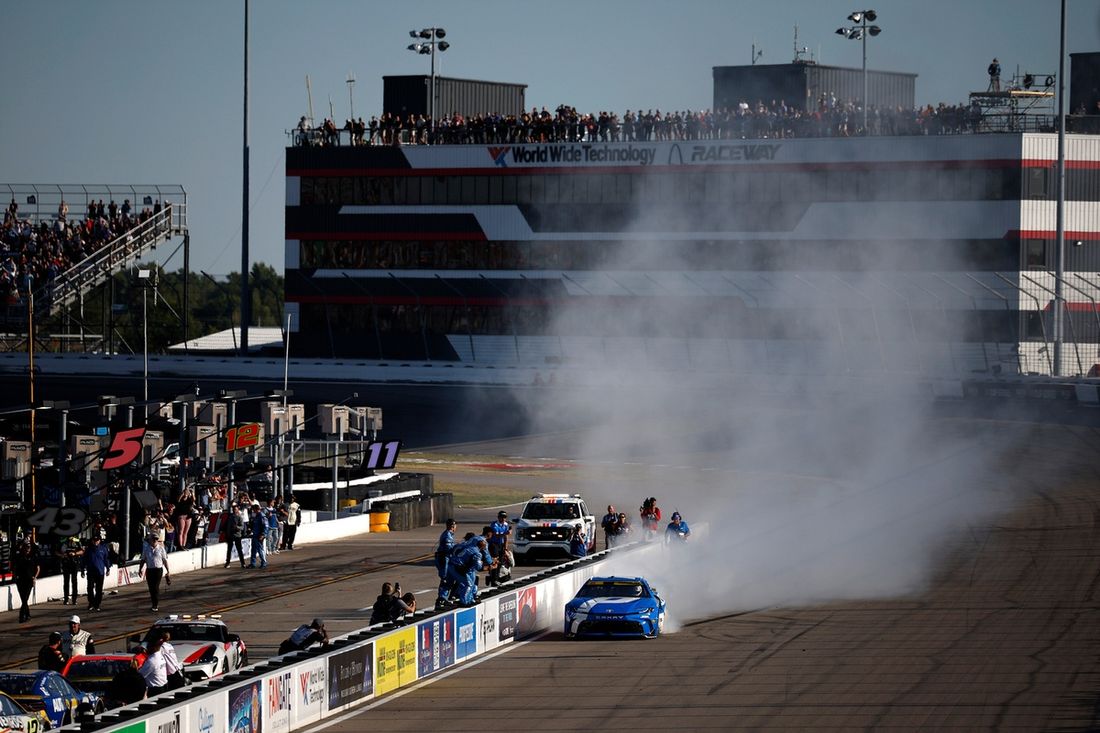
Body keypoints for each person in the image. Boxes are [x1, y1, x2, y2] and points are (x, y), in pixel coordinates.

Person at [137, 533, 170, 612]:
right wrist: (140, 569)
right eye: (153, 539)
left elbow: (164, 560)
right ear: (150, 540)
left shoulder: (161, 549)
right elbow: (143, 560)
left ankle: (155, 605)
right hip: (150, 570)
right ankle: (153, 603)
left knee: (155, 587)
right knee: (151, 588)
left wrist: (168, 570)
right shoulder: (146, 549)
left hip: (158, 570)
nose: (155, 541)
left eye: (156, 539)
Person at [12, 538, 39, 623]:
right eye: (26, 548)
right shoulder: (18, 556)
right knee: (23, 598)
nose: (27, 549)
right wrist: (15, 577)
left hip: (29, 581)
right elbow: (15, 568)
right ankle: (27, 615)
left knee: (25, 598)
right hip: (20, 580)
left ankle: (21, 615)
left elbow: (38, 568)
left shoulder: (33, 557)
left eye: (29, 548)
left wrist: (35, 577)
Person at [83, 534, 112, 611]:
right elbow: (84, 560)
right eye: (94, 540)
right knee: (90, 588)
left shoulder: (103, 549)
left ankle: (97, 604)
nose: (95, 542)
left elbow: (106, 559)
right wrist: (82, 570)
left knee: (99, 589)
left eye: (97, 540)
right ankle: (91, 603)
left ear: (99, 541)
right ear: (92, 541)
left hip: (100, 572)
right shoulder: (88, 550)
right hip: (91, 572)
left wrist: (108, 569)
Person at [138, 632, 169, 697]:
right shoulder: (159, 654)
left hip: (155, 690)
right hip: (164, 686)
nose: (146, 649)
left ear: (152, 647)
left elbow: (140, 676)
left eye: (148, 647)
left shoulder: (151, 661)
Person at [57, 535, 83, 606]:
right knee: (66, 582)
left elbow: (82, 551)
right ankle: (66, 599)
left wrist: (75, 553)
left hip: (74, 563)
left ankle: (74, 599)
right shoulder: (62, 540)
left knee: (74, 581)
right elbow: (56, 552)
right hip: (66, 563)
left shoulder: (77, 540)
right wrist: (62, 555)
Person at [487, 512, 511, 587]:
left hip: (501, 545)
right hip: (494, 544)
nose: (503, 519)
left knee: (500, 562)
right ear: (498, 517)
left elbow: (506, 537)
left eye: (505, 517)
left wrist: (505, 548)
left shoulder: (506, 524)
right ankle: (493, 579)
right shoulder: (494, 525)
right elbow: (496, 535)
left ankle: (495, 578)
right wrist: (506, 533)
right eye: (502, 517)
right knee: (495, 561)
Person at [434, 518, 457, 594]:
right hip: (443, 558)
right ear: (452, 526)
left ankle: (444, 597)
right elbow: (449, 548)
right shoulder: (447, 535)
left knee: (447, 578)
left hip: (445, 557)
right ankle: (442, 598)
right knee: (445, 579)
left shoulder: (449, 534)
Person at [224, 502, 246, 568]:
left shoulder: (240, 517)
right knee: (229, 550)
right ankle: (227, 563)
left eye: (235, 509)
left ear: (237, 510)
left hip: (237, 535)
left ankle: (243, 563)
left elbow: (242, 527)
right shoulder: (230, 517)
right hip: (230, 535)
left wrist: (237, 527)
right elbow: (226, 525)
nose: (234, 511)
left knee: (239, 550)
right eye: (233, 509)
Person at [248, 503, 268, 569]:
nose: (253, 511)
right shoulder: (256, 516)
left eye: (253, 510)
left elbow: (265, 526)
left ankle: (264, 562)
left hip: (259, 535)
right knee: (253, 549)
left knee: (260, 550)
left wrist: (263, 534)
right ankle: (252, 563)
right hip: (255, 535)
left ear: (256, 509)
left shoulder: (262, 516)